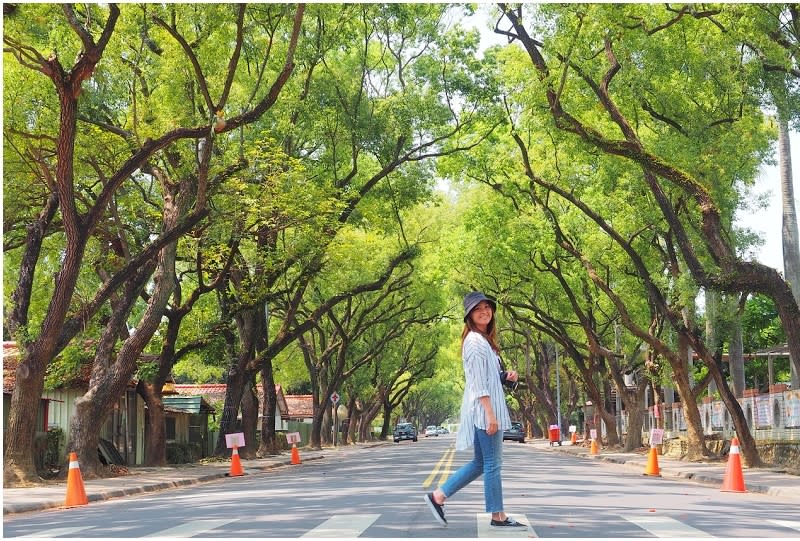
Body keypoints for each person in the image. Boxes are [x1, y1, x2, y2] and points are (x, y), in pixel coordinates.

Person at [424, 291, 525, 529]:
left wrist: (505, 376)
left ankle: (438, 496)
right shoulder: (475, 342)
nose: (484, 311)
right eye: (478, 308)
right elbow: (479, 384)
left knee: (482, 462)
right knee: (492, 464)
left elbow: (488, 377)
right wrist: (491, 414)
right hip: (485, 411)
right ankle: (497, 515)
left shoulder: (484, 342)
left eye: (487, 307)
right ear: (469, 315)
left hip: (486, 408)